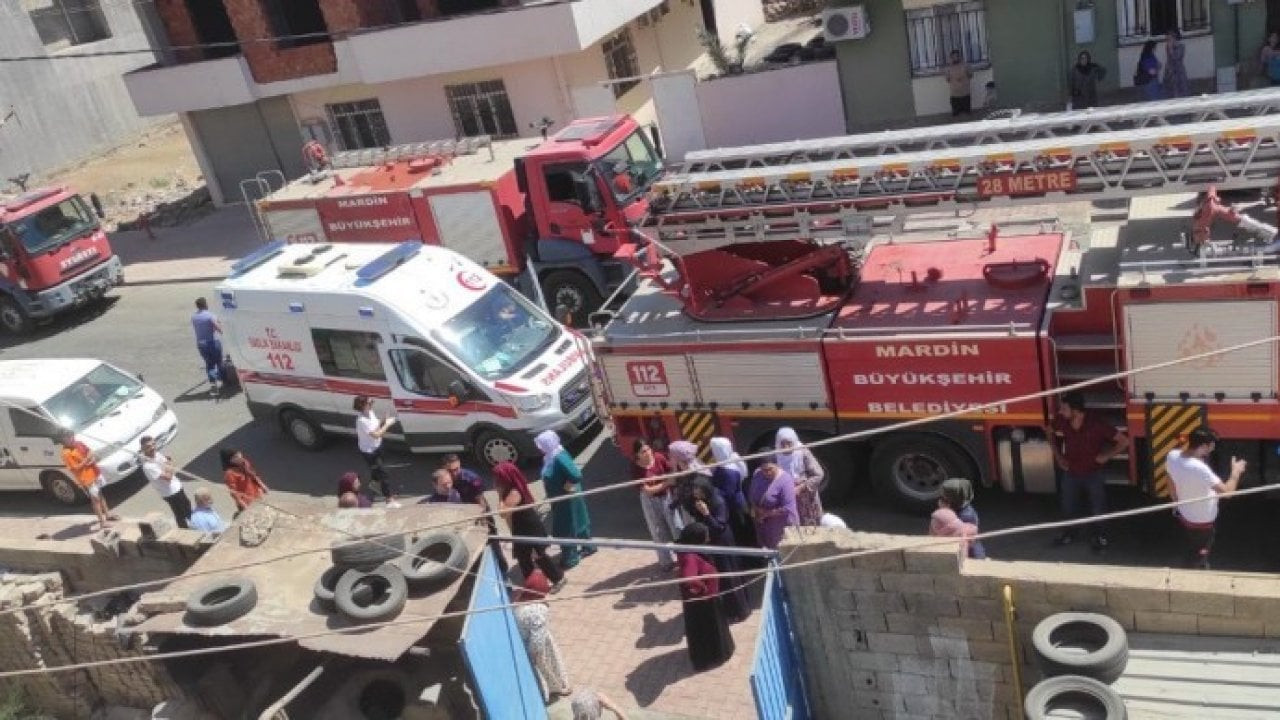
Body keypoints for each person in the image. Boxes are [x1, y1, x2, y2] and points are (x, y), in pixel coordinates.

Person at [1049, 392, 1128, 553]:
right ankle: (1070, 533)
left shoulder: (1096, 424)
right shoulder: (1062, 421)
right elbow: (1048, 430)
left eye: (1064, 408)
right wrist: (1058, 456)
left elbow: (1124, 441)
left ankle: (1100, 536)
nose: (1060, 412)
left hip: (1093, 474)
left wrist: (1106, 456)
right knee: (1068, 506)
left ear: (1076, 410)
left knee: (1098, 508)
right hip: (1071, 473)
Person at [1167, 428, 1245, 570]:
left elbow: (1170, 479)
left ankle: (1191, 560)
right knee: (1200, 554)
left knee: (1191, 545)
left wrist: (1176, 502)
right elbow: (1227, 493)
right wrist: (1236, 472)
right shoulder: (1200, 469)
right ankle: (1197, 571)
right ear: (1203, 446)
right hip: (1202, 522)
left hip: (1185, 514)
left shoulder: (1172, 456)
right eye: (1211, 446)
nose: (1212, 449)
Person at [678, 477, 749, 622]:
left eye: (698, 490)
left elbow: (719, 526)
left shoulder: (718, 502)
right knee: (721, 576)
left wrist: (707, 514)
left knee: (730, 576)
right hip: (711, 541)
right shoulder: (700, 500)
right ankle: (729, 609)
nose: (695, 493)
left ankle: (740, 610)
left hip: (722, 541)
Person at [494, 461, 565, 590]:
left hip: (529, 528)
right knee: (523, 557)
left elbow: (502, 513)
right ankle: (532, 583)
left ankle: (558, 578)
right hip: (521, 527)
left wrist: (499, 495)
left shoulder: (514, 492)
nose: (496, 481)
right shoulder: (513, 488)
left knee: (538, 556)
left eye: (499, 478)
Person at [676, 522, 736, 671]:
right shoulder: (690, 557)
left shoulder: (690, 550)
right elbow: (688, 578)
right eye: (705, 536)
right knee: (708, 630)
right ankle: (712, 657)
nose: (707, 539)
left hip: (707, 600)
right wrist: (702, 588)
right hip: (703, 604)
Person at [442, 453, 508, 575]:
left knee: (492, 542)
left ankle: (502, 568)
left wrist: (482, 522)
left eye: (456, 469)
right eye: (450, 471)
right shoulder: (446, 479)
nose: (454, 473)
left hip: (479, 514)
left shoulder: (471, 478)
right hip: (462, 516)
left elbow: (481, 502)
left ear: (460, 465)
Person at [536, 430, 593, 569]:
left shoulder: (559, 457)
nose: (540, 448)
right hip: (561, 499)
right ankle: (588, 547)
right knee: (577, 521)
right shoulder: (551, 455)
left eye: (542, 444)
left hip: (567, 499)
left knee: (565, 528)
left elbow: (576, 474)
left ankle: (570, 558)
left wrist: (567, 485)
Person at [512, 570, 572, 701]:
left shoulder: (519, 598)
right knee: (546, 668)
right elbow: (537, 643)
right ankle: (556, 689)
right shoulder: (538, 610)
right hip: (536, 646)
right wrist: (535, 655)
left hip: (525, 639)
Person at [631, 438, 681, 570]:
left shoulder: (658, 457)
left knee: (675, 526)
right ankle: (666, 562)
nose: (647, 453)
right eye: (643, 451)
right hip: (650, 502)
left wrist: (670, 480)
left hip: (666, 497)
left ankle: (683, 557)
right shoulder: (636, 469)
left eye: (648, 449)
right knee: (658, 531)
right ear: (637, 455)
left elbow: (671, 471)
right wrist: (666, 483)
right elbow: (647, 491)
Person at [708, 436, 755, 549]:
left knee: (741, 535)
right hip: (738, 504)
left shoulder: (727, 471)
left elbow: (728, 494)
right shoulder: (732, 462)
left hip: (734, 509)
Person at [58, 431, 111, 529]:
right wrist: (87, 460)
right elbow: (75, 468)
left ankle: (108, 515)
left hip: (95, 472)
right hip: (86, 478)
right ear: (62, 439)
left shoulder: (79, 443)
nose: (72, 438)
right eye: (68, 437)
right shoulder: (66, 453)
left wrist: (92, 459)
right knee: (95, 500)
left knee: (100, 494)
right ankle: (102, 522)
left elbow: (89, 451)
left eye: (71, 435)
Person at [353, 395, 399, 506]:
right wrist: (387, 424)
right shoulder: (361, 421)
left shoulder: (370, 413)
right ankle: (389, 498)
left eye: (372, 402)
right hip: (369, 452)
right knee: (384, 474)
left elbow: (376, 426)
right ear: (362, 406)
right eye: (370, 403)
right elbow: (376, 434)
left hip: (378, 446)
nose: (372, 404)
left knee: (376, 470)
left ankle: (374, 484)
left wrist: (383, 420)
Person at [140, 435, 193, 529]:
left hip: (177, 487)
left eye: (153, 444)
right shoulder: (148, 466)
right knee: (180, 514)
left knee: (187, 507)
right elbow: (168, 477)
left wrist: (168, 465)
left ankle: (194, 526)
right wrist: (169, 463)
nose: (152, 448)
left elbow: (167, 467)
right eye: (148, 446)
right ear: (143, 449)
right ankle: (185, 531)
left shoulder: (157, 455)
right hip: (170, 493)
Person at [775, 427, 824, 526]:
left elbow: (819, 474)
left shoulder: (802, 452)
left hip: (806, 497)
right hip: (786, 497)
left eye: (789, 443)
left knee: (810, 524)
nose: (786, 447)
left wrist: (800, 487)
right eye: (783, 443)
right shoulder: (775, 455)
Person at [747, 460, 798, 549]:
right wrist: (756, 508)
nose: (767, 473)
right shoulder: (757, 474)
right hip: (763, 525)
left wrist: (766, 514)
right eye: (764, 470)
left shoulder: (786, 480)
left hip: (780, 525)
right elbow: (751, 493)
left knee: (781, 552)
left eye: (770, 469)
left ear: (777, 465)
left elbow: (788, 508)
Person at [667, 440, 714, 526]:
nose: (669, 457)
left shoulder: (695, 477)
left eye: (671, 455)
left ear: (678, 458)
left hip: (700, 519)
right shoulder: (688, 471)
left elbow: (689, 496)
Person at [941, 477, 986, 559]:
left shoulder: (965, 516)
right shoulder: (964, 508)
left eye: (944, 497)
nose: (941, 499)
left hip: (969, 554)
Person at [929, 480, 978, 551]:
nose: (940, 501)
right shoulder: (962, 507)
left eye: (943, 499)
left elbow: (957, 538)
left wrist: (945, 511)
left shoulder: (965, 516)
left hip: (967, 551)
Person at [219, 447, 267, 515]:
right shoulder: (230, 474)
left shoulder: (244, 462)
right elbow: (234, 493)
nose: (239, 457)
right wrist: (245, 507)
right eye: (235, 457)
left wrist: (262, 485)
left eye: (239, 454)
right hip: (246, 502)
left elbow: (252, 474)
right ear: (230, 461)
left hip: (256, 495)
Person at [191, 297, 223, 395]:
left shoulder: (194, 317)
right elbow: (218, 328)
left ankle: (213, 386)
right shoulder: (210, 315)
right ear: (205, 304)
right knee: (219, 362)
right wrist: (221, 328)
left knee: (209, 364)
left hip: (201, 344)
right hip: (212, 342)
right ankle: (223, 379)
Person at [944, 50, 973, 117]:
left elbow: (970, 75)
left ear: (960, 57)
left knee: (967, 114)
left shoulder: (966, 65)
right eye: (953, 56)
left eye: (957, 56)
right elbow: (947, 80)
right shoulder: (948, 68)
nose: (956, 58)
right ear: (951, 57)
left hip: (965, 93)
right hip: (955, 94)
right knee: (956, 114)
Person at [1162, 28, 1189, 99]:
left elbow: (1176, 57)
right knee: (1171, 93)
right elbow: (1169, 59)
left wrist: (1171, 48)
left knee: (1181, 92)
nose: (1168, 40)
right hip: (1170, 73)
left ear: (1174, 37)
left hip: (1179, 72)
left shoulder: (1181, 46)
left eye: (1169, 38)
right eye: (1167, 39)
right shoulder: (1167, 47)